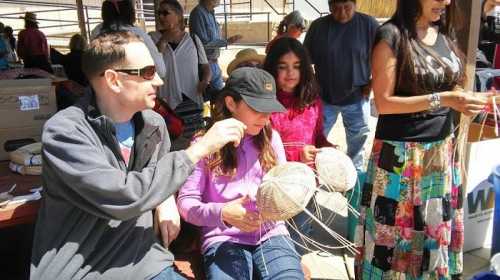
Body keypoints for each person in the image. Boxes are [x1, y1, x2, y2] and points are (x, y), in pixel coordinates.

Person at [30, 31, 247, 280]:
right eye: (147, 72)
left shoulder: (154, 123)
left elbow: (157, 171)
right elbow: (123, 196)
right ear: (113, 80)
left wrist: (165, 201)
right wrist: (198, 149)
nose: (158, 81)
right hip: (85, 269)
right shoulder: (65, 132)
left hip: (144, 260)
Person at [354, 0, 493, 279]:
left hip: (439, 154)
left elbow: (444, 83)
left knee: (432, 236)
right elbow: (384, 102)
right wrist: (443, 99)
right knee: (394, 241)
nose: (447, 2)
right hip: (400, 159)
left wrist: (467, 99)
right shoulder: (391, 35)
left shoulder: (442, 33)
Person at [177, 67, 304, 280]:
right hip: (222, 238)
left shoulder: (272, 139)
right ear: (230, 103)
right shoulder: (204, 144)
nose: (265, 117)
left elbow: (283, 186)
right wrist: (223, 213)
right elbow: (186, 203)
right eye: (257, 108)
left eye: (269, 109)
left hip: (271, 233)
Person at [264, 36, 334, 277]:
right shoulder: (265, 104)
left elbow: (317, 136)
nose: (290, 73)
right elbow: (262, 150)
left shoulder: (312, 102)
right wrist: (296, 155)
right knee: (275, 242)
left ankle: (294, 265)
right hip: (274, 190)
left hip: (306, 188)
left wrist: (328, 150)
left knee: (300, 236)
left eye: (296, 66)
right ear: (272, 69)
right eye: (282, 67)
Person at [304, 0, 379, 171]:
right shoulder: (318, 27)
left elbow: (382, 59)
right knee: (315, 139)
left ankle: (355, 179)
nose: (342, 13)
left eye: (347, 8)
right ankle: (314, 175)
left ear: (355, 5)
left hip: (357, 97)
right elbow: (304, 60)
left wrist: (373, 82)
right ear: (329, 7)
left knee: (357, 145)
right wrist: (312, 83)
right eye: (336, 9)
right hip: (324, 98)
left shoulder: (369, 25)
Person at [150, 0, 211, 144]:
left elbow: (205, 66)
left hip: (192, 100)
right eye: (159, 13)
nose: (161, 17)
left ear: (178, 15)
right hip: (166, 103)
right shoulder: (152, 38)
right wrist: (163, 41)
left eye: (166, 13)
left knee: (195, 143)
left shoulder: (193, 40)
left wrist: (205, 81)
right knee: (170, 144)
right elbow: (151, 64)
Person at [91, 0, 166, 78]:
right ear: (129, 10)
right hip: (133, 85)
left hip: (103, 85)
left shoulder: (96, 32)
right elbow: (161, 71)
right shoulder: (137, 33)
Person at [189, 0, 243, 94]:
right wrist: (226, 42)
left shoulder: (210, 13)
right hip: (204, 65)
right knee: (207, 98)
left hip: (214, 62)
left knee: (219, 98)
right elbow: (202, 44)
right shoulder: (198, 13)